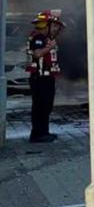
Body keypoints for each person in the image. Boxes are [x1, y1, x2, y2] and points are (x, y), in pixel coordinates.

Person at [26, 11, 64, 143]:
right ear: (46, 26)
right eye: (53, 26)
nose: (55, 29)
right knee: (40, 106)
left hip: (47, 78)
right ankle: (37, 134)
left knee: (47, 105)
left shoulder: (46, 39)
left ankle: (44, 132)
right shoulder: (38, 37)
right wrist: (50, 47)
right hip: (39, 78)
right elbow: (37, 54)